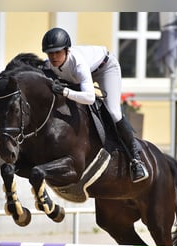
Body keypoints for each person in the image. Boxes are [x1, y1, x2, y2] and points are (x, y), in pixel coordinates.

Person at [41, 27, 149, 183]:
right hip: (82, 75)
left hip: (105, 68)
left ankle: (136, 159)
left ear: (66, 50)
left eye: (58, 52)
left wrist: (65, 92)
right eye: (50, 53)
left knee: (113, 112)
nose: (54, 57)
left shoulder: (78, 63)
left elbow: (90, 97)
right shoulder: (48, 65)